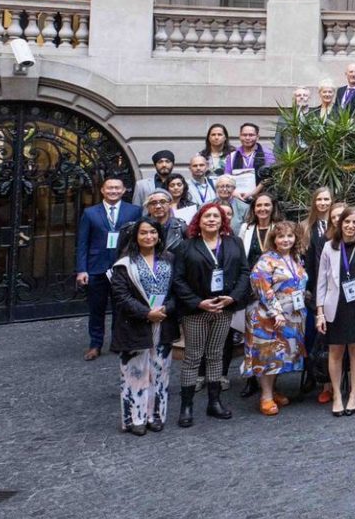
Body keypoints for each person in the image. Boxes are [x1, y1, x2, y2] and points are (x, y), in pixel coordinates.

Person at [170, 202, 250, 427]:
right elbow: (178, 279)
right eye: (207, 216)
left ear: (222, 220)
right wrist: (198, 302)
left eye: (216, 216)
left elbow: (244, 272)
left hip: (223, 308)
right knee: (193, 357)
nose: (212, 220)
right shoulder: (186, 246)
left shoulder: (234, 243)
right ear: (199, 221)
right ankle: (186, 406)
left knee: (216, 355)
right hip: (197, 310)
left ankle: (214, 402)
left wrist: (232, 298)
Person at [109, 216, 177, 435]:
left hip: (163, 323)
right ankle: (135, 419)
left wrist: (166, 309)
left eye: (153, 232)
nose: (149, 236)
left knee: (160, 371)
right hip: (135, 324)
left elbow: (177, 290)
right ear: (135, 236)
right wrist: (147, 313)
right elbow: (121, 296)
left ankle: (155, 416)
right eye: (144, 232)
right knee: (134, 372)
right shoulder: (124, 264)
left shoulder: (170, 259)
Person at [315, 205, 355, 417]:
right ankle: (337, 395)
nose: (350, 226)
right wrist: (320, 312)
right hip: (336, 306)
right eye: (347, 222)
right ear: (340, 223)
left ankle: (353, 394)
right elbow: (321, 282)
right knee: (335, 351)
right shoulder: (329, 247)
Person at [242, 220, 308, 416]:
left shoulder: (296, 258)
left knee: (280, 355)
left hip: (291, 315)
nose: (285, 240)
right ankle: (266, 396)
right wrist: (275, 311)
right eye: (281, 236)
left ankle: (273, 390)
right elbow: (262, 287)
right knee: (268, 356)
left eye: (289, 236)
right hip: (268, 316)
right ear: (274, 239)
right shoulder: (267, 260)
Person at [75, 177, 143, 360]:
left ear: (124, 190)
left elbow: (138, 240)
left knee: (121, 308)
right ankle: (95, 345)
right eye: (110, 188)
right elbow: (82, 243)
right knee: (96, 309)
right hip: (96, 268)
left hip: (123, 267)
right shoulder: (90, 213)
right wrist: (82, 269)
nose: (113, 191)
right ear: (103, 190)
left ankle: (118, 342)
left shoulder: (134, 211)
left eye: (117, 188)